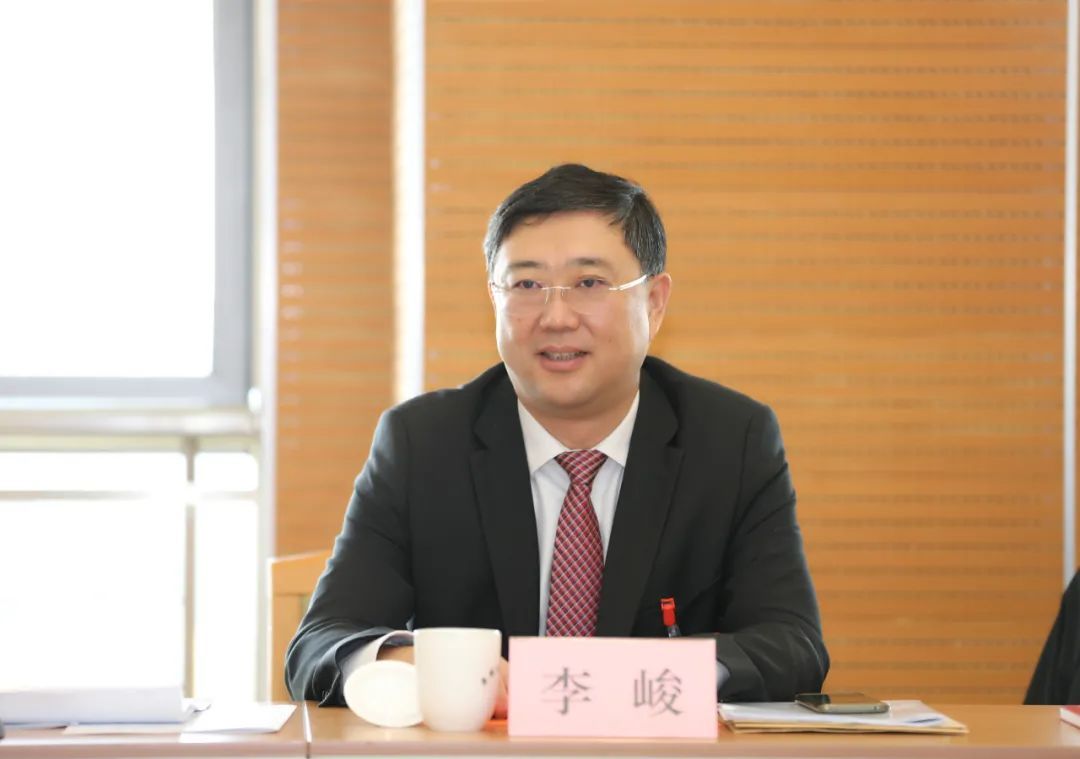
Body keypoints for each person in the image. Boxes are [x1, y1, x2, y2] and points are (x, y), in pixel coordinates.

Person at [286, 163, 829, 707]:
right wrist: (407, 663)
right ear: (494, 299)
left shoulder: (731, 441)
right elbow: (321, 643)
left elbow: (793, 646)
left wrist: (635, 679)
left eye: (589, 283)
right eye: (526, 285)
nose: (556, 317)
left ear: (654, 302)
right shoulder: (422, 444)